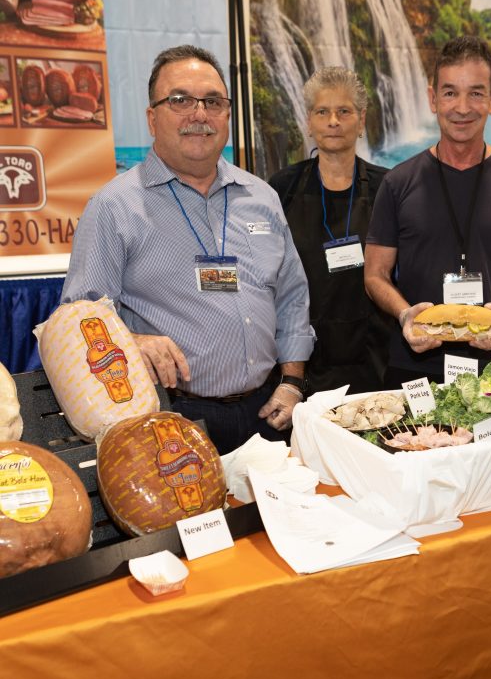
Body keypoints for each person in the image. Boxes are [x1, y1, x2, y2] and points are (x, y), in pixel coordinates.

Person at [61, 44, 315, 454]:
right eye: (180, 100)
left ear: (227, 115)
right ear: (152, 118)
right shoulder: (114, 207)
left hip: (270, 412)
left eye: (213, 102)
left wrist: (292, 382)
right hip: (170, 421)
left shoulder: (261, 197)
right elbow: (78, 322)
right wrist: (133, 341)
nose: (199, 114)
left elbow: (291, 297)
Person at [364, 36, 491, 386]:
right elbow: (375, 274)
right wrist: (405, 315)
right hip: (413, 369)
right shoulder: (398, 182)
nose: (462, 108)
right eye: (450, 93)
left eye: (476, 93)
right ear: (432, 98)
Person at [268, 66, 392, 394]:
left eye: (344, 111)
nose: (333, 121)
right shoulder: (282, 188)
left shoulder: (388, 187)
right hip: (304, 359)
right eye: (322, 112)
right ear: (309, 122)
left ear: (361, 121)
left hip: (375, 357)